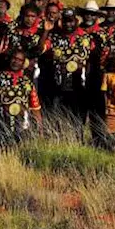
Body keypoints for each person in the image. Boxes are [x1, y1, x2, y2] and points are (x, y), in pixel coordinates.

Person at [40, 8, 93, 136]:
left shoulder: (85, 37)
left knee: (79, 118)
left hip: (80, 84)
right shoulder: (54, 37)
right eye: (65, 21)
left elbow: (92, 59)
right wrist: (46, 31)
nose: (68, 24)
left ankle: (78, 141)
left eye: (71, 21)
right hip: (59, 84)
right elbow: (40, 49)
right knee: (59, 116)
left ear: (76, 21)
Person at [0, 50, 42, 145]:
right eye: (14, 58)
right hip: (1, 122)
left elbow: (35, 107)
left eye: (19, 60)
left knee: (20, 148)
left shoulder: (28, 82)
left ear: (23, 63)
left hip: (22, 124)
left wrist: (40, 128)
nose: (16, 62)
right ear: (10, 59)